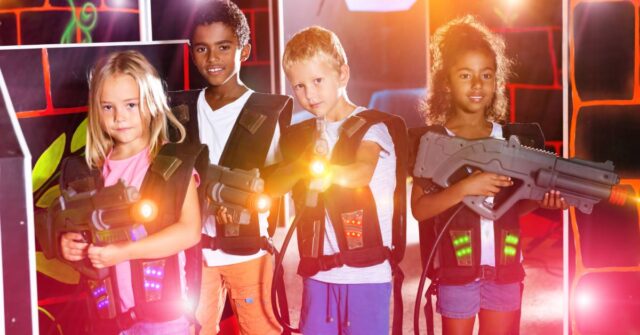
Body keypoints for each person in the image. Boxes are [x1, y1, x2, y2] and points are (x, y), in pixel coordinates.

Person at [410, 15, 567, 335]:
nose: (477, 84)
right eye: (465, 75)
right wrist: (465, 187)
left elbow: (513, 206)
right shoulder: (435, 142)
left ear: (497, 81)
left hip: (505, 270)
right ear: (446, 83)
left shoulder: (512, 139)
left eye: (486, 75)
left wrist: (542, 201)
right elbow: (419, 208)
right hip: (456, 272)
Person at [268, 25, 408, 335]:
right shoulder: (302, 137)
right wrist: (299, 167)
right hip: (318, 276)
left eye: (318, 81)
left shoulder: (371, 128)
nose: (309, 94)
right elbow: (273, 186)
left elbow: (361, 172)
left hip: (366, 276)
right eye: (299, 86)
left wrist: (325, 172)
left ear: (342, 74)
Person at [59, 50, 205, 334]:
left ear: (150, 103)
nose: (119, 117)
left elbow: (189, 231)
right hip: (110, 317)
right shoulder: (91, 173)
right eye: (108, 107)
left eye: (130, 105)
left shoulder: (170, 165)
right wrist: (69, 246)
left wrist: (126, 251)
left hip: (164, 318)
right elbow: (83, 232)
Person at [167, 1, 292, 334]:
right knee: (194, 328)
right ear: (191, 53)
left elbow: (277, 184)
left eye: (224, 47)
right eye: (202, 49)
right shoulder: (179, 111)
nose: (213, 59)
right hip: (197, 255)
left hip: (248, 254)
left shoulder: (266, 114)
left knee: (261, 328)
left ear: (244, 50)